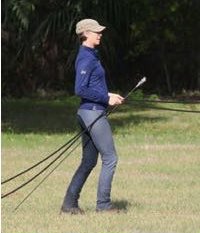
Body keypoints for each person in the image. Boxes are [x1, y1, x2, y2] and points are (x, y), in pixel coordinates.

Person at [61, 19, 124, 214]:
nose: (100, 34)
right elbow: (80, 89)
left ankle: (69, 205)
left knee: (89, 161)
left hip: (88, 112)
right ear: (85, 33)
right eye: (96, 31)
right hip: (92, 113)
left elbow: (93, 86)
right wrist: (106, 97)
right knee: (110, 158)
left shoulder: (91, 55)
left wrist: (109, 96)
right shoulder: (86, 58)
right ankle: (103, 206)